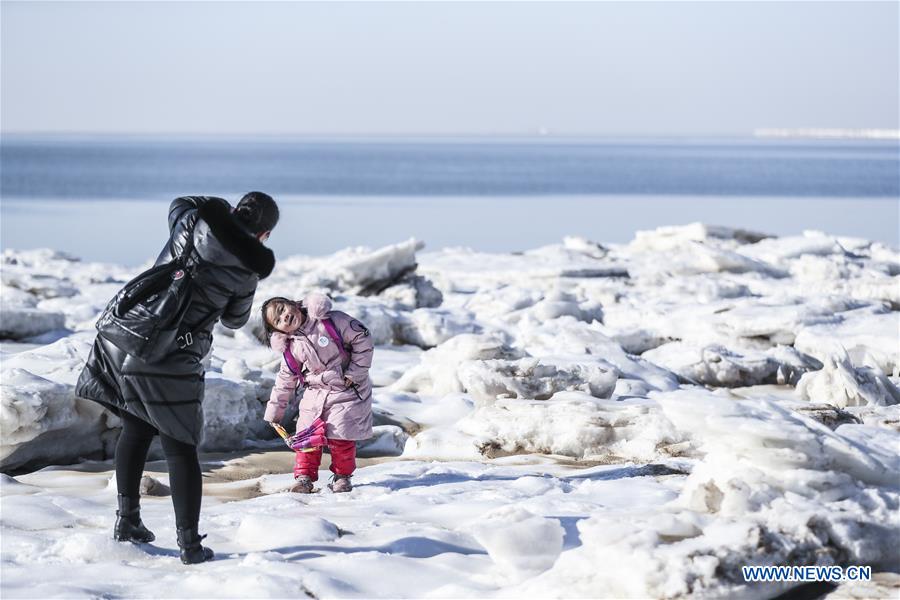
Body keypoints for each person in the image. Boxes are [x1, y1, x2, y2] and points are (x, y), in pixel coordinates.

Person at [76, 192, 278, 564]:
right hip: (171, 356)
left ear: (235, 210)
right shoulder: (247, 271)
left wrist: (217, 210)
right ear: (263, 235)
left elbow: (181, 201)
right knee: (181, 446)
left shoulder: (191, 222)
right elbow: (234, 319)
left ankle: (128, 522)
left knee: (135, 430)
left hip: (125, 336)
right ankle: (190, 545)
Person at [261, 292, 374, 494]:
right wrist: (274, 413)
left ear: (293, 304)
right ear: (278, 331)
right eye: (277, 320)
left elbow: (362, 340)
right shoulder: (292, 348)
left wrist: (355, 373)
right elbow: (284, 381)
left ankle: (342, 477)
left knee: (341, 437)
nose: (284, 317)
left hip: (346, 389)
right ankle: (304, 478)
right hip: (315, 393)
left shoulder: (330, 321)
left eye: (282, 310)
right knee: (306, 437)